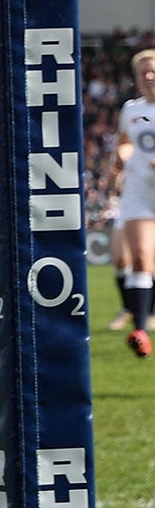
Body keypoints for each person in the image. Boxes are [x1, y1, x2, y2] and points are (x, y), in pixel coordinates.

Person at [111, 48, 155, 358]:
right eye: (144, 72)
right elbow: (124, 142)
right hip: (139, 193)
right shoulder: (131, 109)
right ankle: (140, 329)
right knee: (139, 256)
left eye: (153, 71)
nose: (150, 76)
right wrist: (122, 156)